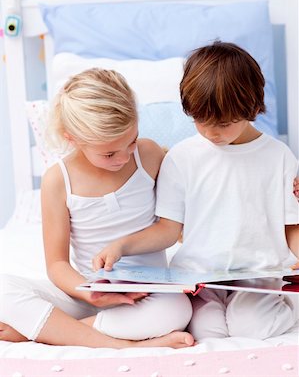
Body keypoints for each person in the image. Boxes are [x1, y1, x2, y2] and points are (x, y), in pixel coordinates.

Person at [94, 41, 299, 341]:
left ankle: (293, 305)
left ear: (252, 108)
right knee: (208, 332)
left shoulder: (278, 156)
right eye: (201, 121)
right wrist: (122, 246)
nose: (211, 132)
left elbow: (291, 226)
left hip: (258, 276)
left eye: (224, 124)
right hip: (200, 277)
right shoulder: (181, 157)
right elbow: (167, 229)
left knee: (251, 328)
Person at [0, 68, 194, 349]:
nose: (125, 156)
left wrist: (123, 246)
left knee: (178, 310)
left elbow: (168, 229)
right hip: (87, 295)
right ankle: (124, 346)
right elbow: (57, 265)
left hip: (147, 295)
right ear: (72, 138)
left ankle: (56, 331)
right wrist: (92, 294)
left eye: (131, 141)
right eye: (109, 153)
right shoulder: (58, 180)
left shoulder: (149, 156)